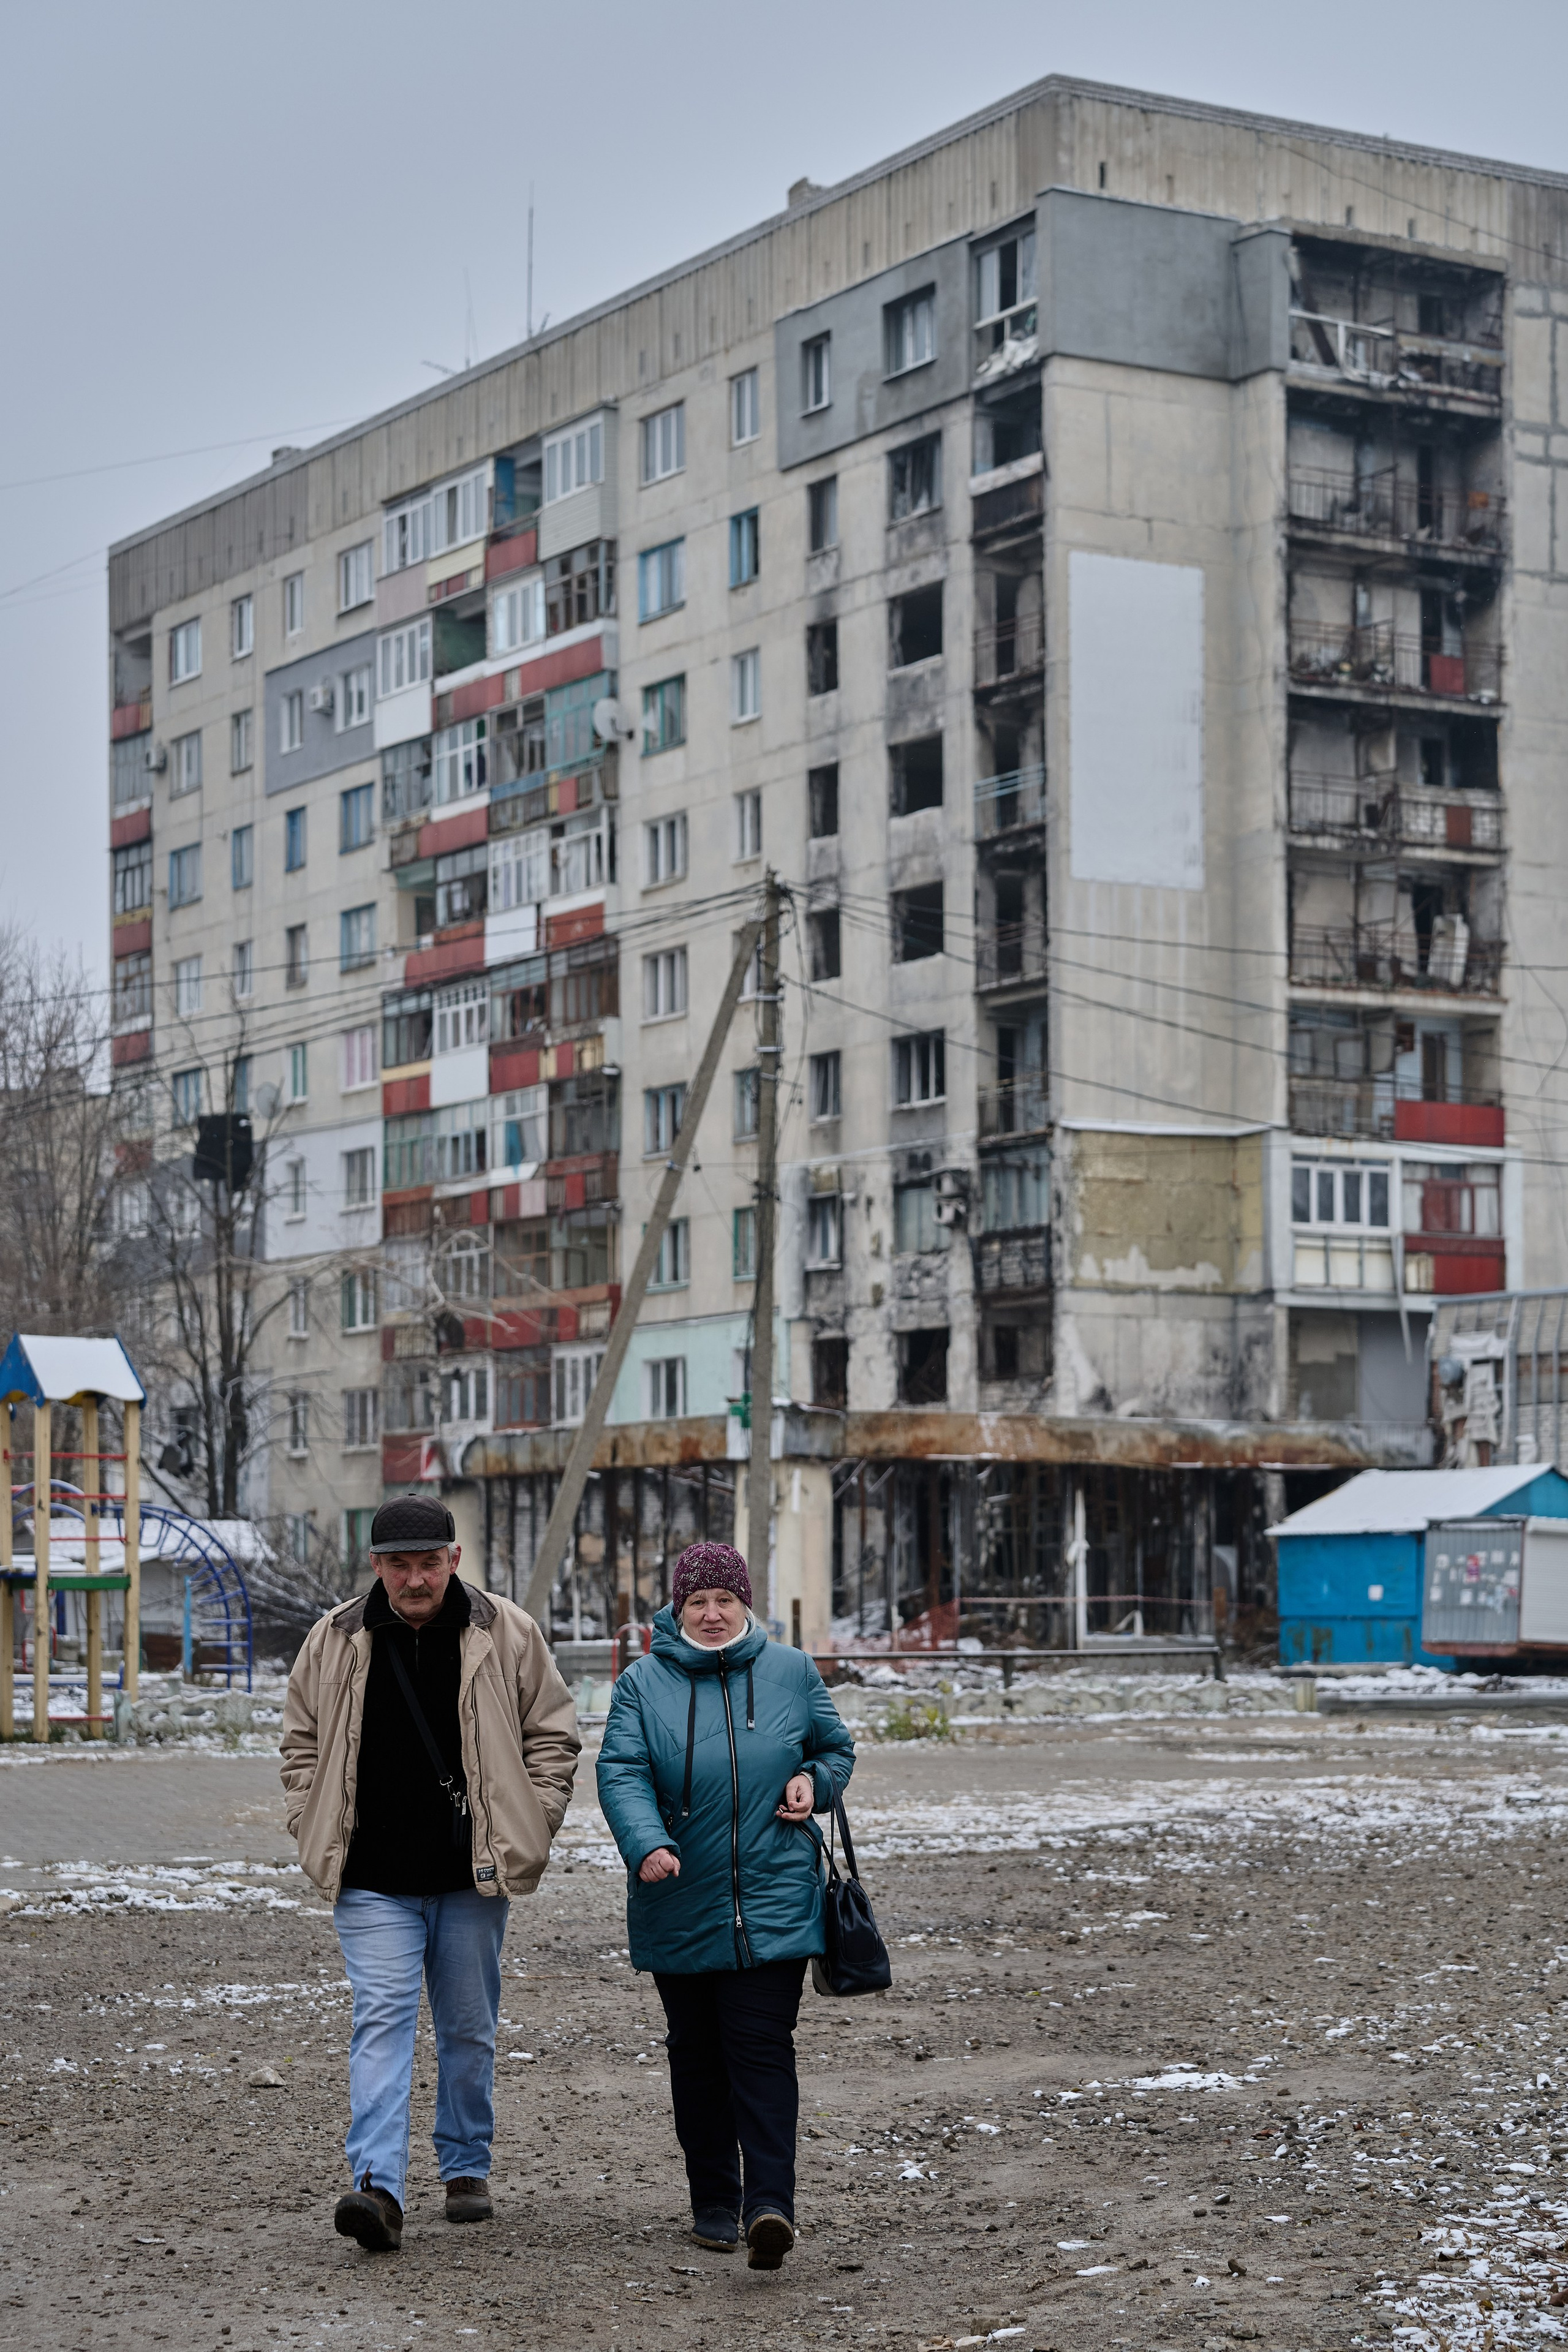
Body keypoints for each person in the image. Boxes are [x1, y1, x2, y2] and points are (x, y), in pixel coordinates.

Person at [280, 1493, 581, 2252]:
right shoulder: (335, 1639)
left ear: (453, 1559)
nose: (416, 1580)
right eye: (399, 1565)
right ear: (376, 1566)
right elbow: (300, 1744)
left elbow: (554, 1734)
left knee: (468, 2029)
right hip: (371, 1877)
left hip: (471, 1875)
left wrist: (532, 1822)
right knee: (381, 2020)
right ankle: (378, 2188)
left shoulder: (506, 1632)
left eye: (429, 1563)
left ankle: (465, 2167)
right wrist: (308, 1820)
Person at [597, 1540, 855, 2271]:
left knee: (762, 2050)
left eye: (725, 1600)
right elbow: (620, 1771)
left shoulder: (793, 1672)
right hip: (676, 1894)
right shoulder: (641, 1683)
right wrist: (646, 1843)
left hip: (775, 1896)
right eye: (697, 1602)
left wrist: (816, 1780)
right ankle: (714, 2197)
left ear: (746, 1605)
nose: (711, 1614)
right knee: (698, 2056)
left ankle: (769, 2206)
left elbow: (836, 1749)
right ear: (677, 1609)